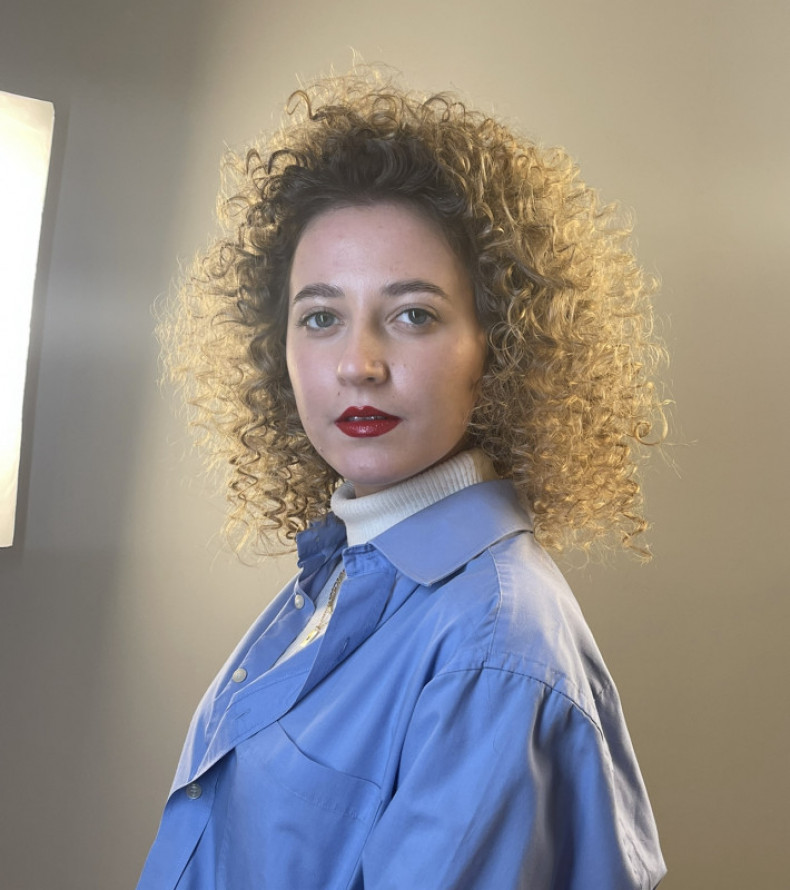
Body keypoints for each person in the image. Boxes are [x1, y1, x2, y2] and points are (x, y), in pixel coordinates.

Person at [139, 69, 667, 889]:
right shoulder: (347, 564)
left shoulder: (490, 650)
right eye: (321, 317)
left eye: (413, 314)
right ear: (278, 348)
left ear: (498, 346)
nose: (358, 364)